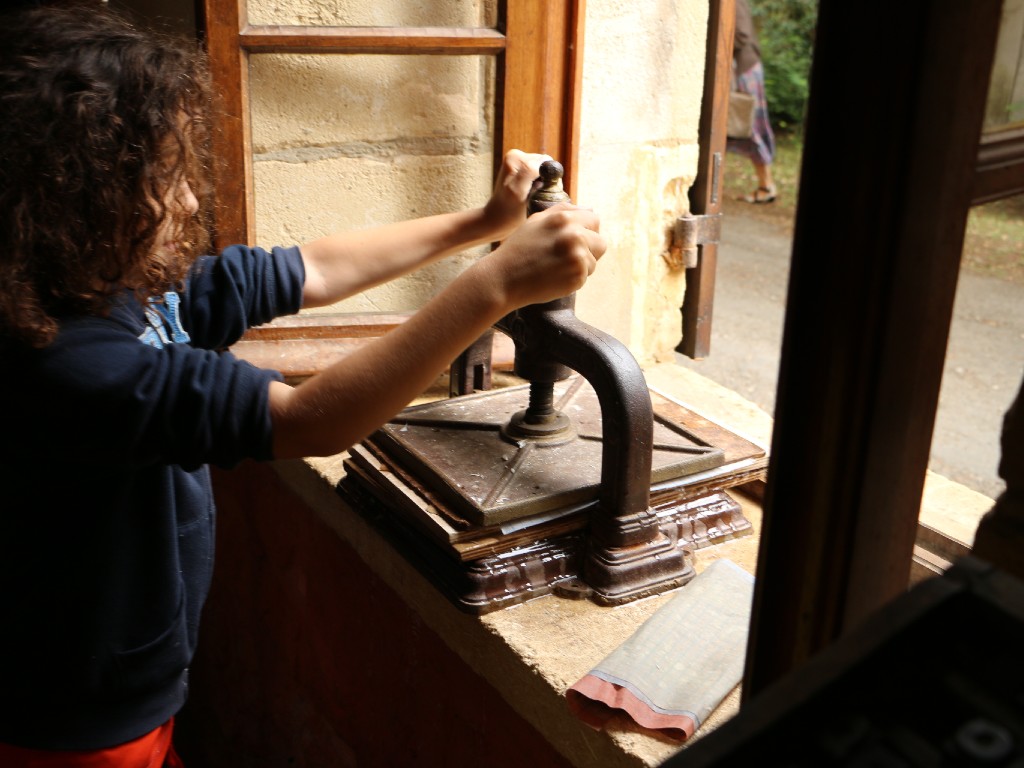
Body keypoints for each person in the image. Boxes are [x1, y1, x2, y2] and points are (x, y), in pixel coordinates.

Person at [0, 3, 606, 764]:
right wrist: (495, 285)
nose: (188, 201)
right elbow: (308, 419)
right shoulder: (64, 363)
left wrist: (482, 222)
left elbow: (307, 270)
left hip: (122, 685)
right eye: (160, 180)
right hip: (78, 718)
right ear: (69, 197)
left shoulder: (98, 282)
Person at [728, 0, 778, 204]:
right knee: (743, 126)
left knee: (751, 126)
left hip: (744, 69)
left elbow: (742, 34)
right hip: (743, 68)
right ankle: (766, 185)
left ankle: (766, 185)